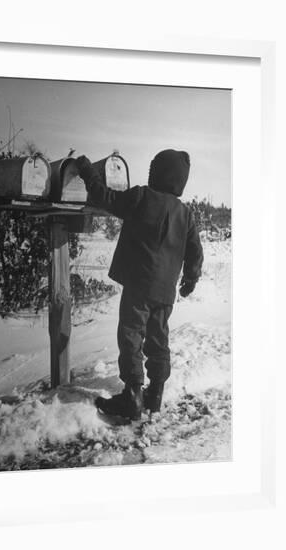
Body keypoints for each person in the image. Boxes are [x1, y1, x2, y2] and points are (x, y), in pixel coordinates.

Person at [75, 150, 204, 421]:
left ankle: (133, 396)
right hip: (166, 290)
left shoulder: (141, 197)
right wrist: (190, 279)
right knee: (158, 339)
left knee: (131, 336)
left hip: (139, 284)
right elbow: (195, 252)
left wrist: (87, 171)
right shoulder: (186, 213)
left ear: (159, 173)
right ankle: (155, 394)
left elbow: (104, 198)